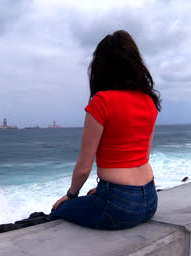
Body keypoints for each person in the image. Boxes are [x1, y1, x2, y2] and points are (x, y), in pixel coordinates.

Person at [50, 30, 161, 230]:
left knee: (58, 211)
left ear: (101, 67)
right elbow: (144, 155)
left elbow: (84, 168)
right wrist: (103, 190)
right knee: (92, 198)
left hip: (119, 207)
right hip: (151, 201)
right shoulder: (149, 101)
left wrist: (70, 195)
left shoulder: (102, 102)